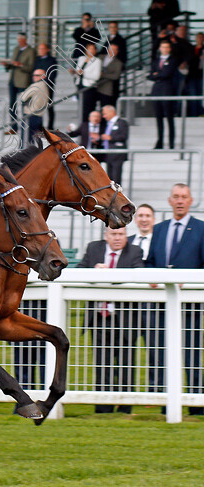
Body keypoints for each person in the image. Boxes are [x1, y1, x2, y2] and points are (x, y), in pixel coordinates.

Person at [146, 183, 204, 415]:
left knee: (190, 350)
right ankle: (162, 399)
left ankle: (196, 402)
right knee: (159, 350)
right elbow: (150, 261)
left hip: (189, 304)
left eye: (184, 197)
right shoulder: (159, 229)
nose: (180, 201)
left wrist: (187, 281)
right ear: (170, 201)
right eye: (176, 197)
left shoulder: (201, 229)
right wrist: (151, 277)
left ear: (191, 201)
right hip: (161, 303)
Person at [77, 227, 143, 414]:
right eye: (113, 234)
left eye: (121, 234)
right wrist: (95, 271)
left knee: (125, 364)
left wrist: (112, 275)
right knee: (102, 363)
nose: (117, 238)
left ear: (126, 236)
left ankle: (124, 407)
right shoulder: (93, 249)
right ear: (106, 236)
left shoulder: (135, 251)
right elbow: (79, 270)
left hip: (124, 319)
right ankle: (103, 406)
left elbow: (139, 274)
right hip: (99, 318)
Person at [3, 33, 35, 133]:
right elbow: (12, 64)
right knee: (12, 105)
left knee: (24, 105)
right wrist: (7, 65)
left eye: (20, 40)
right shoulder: (16, 49)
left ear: (25, 40)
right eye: (18, 39)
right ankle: (13, 127)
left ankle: (27, 127)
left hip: (23, 81)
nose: (19, 41)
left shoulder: (31, 51)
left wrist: (20, 65)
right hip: (13, 80)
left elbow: (31, 68)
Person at [149, 39, 178, 149]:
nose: (165, 49)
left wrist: (157, 74)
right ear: (160, 48)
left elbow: (167, 73)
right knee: (158, 118)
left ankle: (171, 142)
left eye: (167, 47)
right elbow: (150, 75)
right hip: (156, 91)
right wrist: (157, 74)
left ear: (170, 49)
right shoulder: (156, 60)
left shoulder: (173, 60)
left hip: (167, 91)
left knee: (169, 118)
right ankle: (160, 141)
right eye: (163, 47)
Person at [71, 43, 101, 122]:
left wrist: (83, 73)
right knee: (81, 107)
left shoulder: (97, 61)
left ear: (95, 51)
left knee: (87, 108)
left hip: (89, 87)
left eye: (92, 49)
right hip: (80, 84)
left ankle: (87, 124)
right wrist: (74, 72)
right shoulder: (81, 58)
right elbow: (78, 71)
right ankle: (82, 125)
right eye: (89, 49)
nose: (90, 51)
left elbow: (96, 76)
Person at [99, 105, 128, 185]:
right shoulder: (107, 124)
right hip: (108, 154)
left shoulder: (122, 122)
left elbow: (123, 136)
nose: (104, 116)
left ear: (111, 112)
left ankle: (117, 195)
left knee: (116, 177)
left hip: (117, 154)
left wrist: (110, 137)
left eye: (105, 114)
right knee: (109, 178)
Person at [20, 69, 50, 147]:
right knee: (35, 140)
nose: (34, 77)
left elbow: (23, 97)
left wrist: (23, 93)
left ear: (43, 76)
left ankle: (26, 157)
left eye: (37, 75)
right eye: (33, 75)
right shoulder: (45, 86)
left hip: (30, 115)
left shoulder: (36, 85)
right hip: (39, 115)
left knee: (26, 141)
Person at [33, 43, 58, 129]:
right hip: (37, 87)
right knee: (39, 107)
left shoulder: (52, 60)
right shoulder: (36, 60)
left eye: (43, 49)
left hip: (48, 86)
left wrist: (44, 82)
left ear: (47, 50)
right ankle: (39, 126)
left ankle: (50, 127)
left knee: (49, 106)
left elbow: (53, 73)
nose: (41, 51)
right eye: (39, 49)